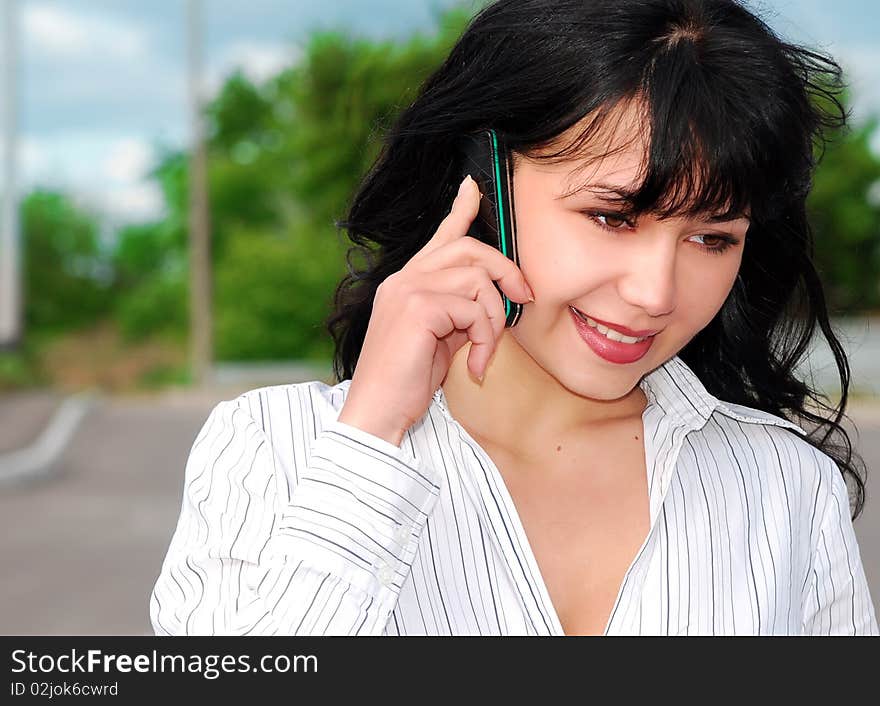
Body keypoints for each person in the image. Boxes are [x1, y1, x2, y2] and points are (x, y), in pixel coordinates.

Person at [149, 0, 878, 635]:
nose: (657, 292)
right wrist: (370, 437)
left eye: (712, 238)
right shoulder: (274, 451)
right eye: (611, 217)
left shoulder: (783, 486)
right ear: (484, 181)